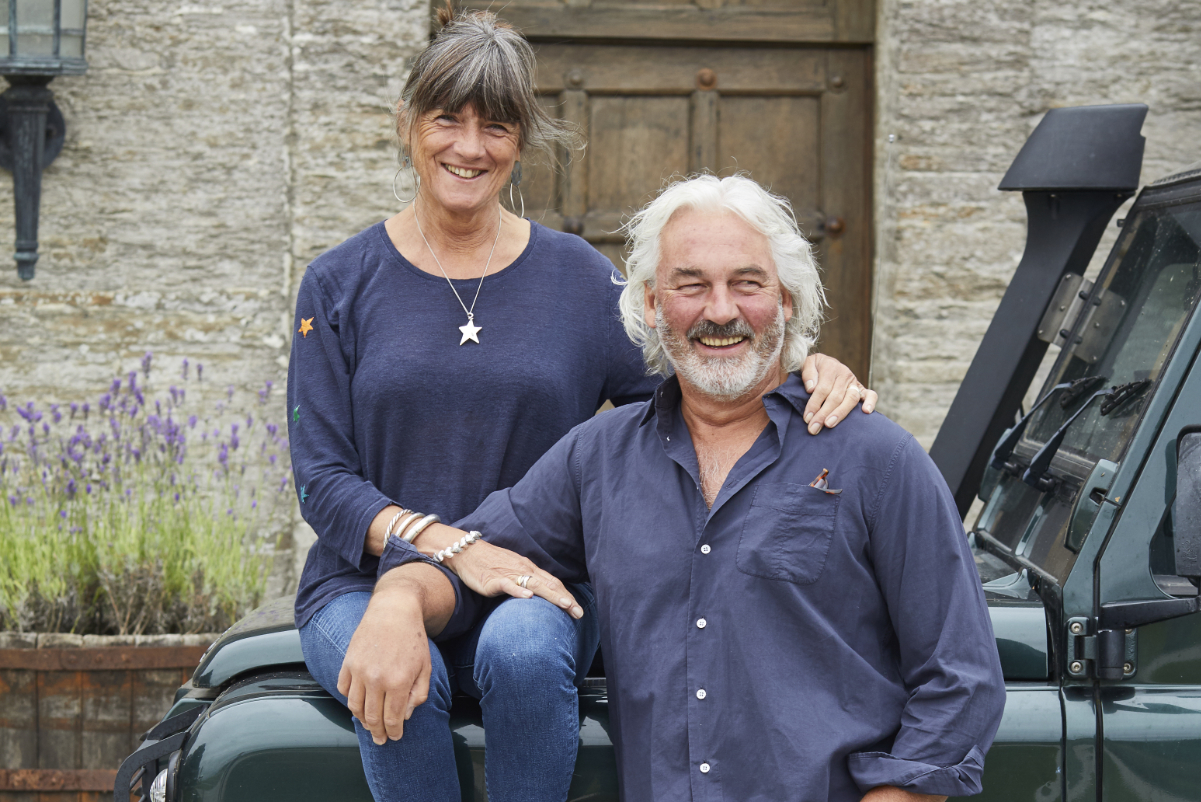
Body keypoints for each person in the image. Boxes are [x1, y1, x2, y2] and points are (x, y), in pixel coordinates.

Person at [288, 8, 876, 802]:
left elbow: (695, 387)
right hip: (367, 582)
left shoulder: (577, 280)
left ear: (521, 142)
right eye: (446, 120)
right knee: (402, 667)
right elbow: (324, 480)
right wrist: (442, 555)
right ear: (406, 126)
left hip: (540, 580)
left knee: (527, 653)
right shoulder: (339, 282)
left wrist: (806, 369)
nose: (469, 147)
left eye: (494, 126)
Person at [370, 174, 1006, 802]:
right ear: (651, 304)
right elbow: (471, 551)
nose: (721, 311)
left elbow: (961, 675)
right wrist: (400, 597)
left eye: (747, 284)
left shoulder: (877, 459)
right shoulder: (598, 459)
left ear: (786, 300)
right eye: (691, 285)